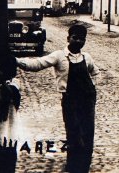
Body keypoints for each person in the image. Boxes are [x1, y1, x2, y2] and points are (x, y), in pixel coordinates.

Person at [17, 23, 99, 173]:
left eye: (82, 39)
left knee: (88, 133)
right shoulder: (59, 56)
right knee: (74, 134)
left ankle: (84, 167)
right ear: (68, 38)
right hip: (70, 101)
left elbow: (95, 72)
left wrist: (92, 87)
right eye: (75, 38)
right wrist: (16, 61)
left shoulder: (87, 58)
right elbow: (38, 64)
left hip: (87, 101)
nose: (79, 41)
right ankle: (73, 167)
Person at [0, 54, 24, 173]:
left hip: (9, 127)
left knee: (8, 158)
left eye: (0, 67)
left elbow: (13, 95)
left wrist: (3, 82)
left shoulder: (15, 83)